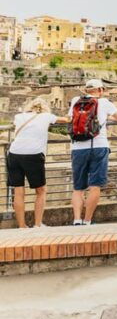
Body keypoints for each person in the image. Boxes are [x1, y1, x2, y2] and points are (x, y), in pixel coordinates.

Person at [69, 79, 117, 226]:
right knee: (95, 186)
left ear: (86, 90)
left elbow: (70, 118)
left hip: (78, 148)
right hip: (99, 146)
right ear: (100, 90)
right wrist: (107, 116)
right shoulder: (104, 102)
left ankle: (77, 220)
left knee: (78, 188)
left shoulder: (76, 101)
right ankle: (87, 221)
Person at [6, 98, 68, 228]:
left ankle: (22, 226)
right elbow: (66, 120)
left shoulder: (19, 116)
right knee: (41, 190)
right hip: (33, 154)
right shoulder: (47, 116)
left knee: (18, 191)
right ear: (44, 108)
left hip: (14, 153)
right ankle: (38, 224)